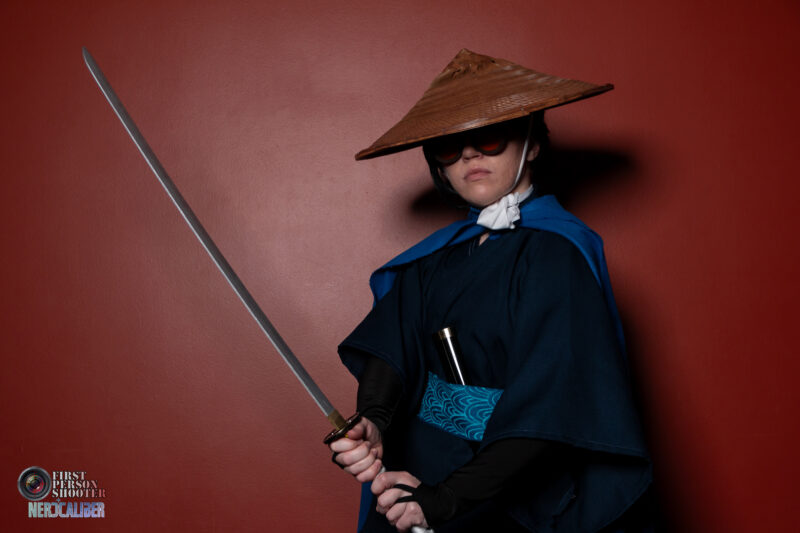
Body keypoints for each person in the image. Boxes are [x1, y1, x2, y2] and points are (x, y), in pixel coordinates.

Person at [329, 49, 653, 533]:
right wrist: (373, 420)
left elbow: (551, 404)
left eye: (489, 136)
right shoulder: (437, 257)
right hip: (420, 472)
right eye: (449, 146)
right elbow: (394, 341)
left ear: (532, 145)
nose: (469, 155)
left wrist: (446, 500)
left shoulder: (557, 255)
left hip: (506, 489)